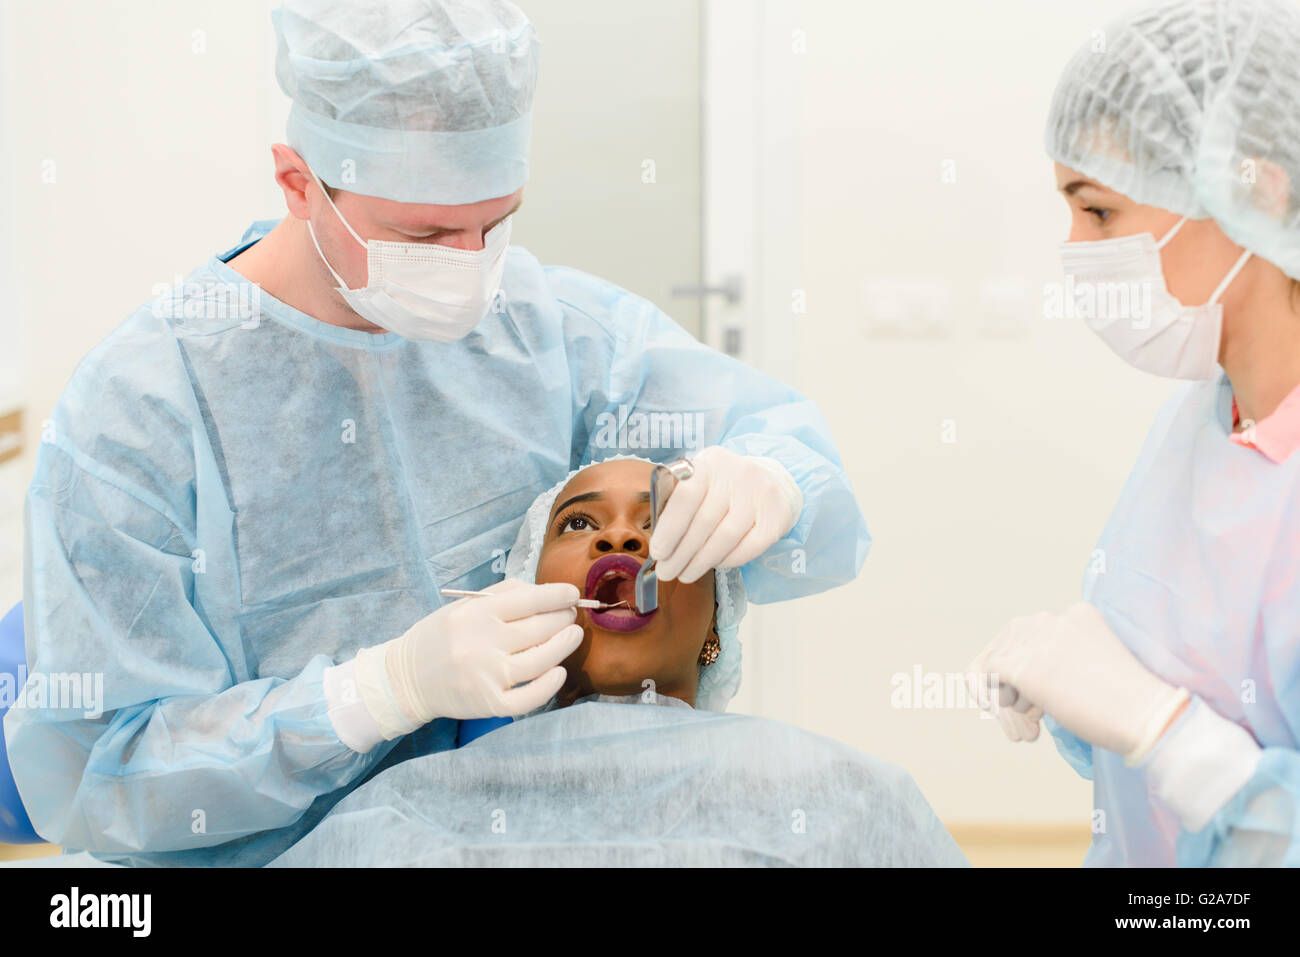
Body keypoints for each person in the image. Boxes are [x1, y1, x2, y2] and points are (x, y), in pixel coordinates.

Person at [4, 0, 870, 866]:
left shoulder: (546, 331)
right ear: (298, 182)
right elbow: (103, 783)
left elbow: (792, 463)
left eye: (494, 224)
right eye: (422, 234)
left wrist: (772, 479)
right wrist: (372, 694)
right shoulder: (142, 407)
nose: (468, 267)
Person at [969, 0, 1300, 866]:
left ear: (1255, 188)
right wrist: (1077, 681)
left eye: (1100, 212)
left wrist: (1173, 735)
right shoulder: (1200, 421)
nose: (1075, 248)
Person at [264, 458, 964, 867]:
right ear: (521, 602)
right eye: (577, 523)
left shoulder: (852, 802)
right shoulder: (392, 824)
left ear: (716, 625)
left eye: (660, 520)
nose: (621, 535)